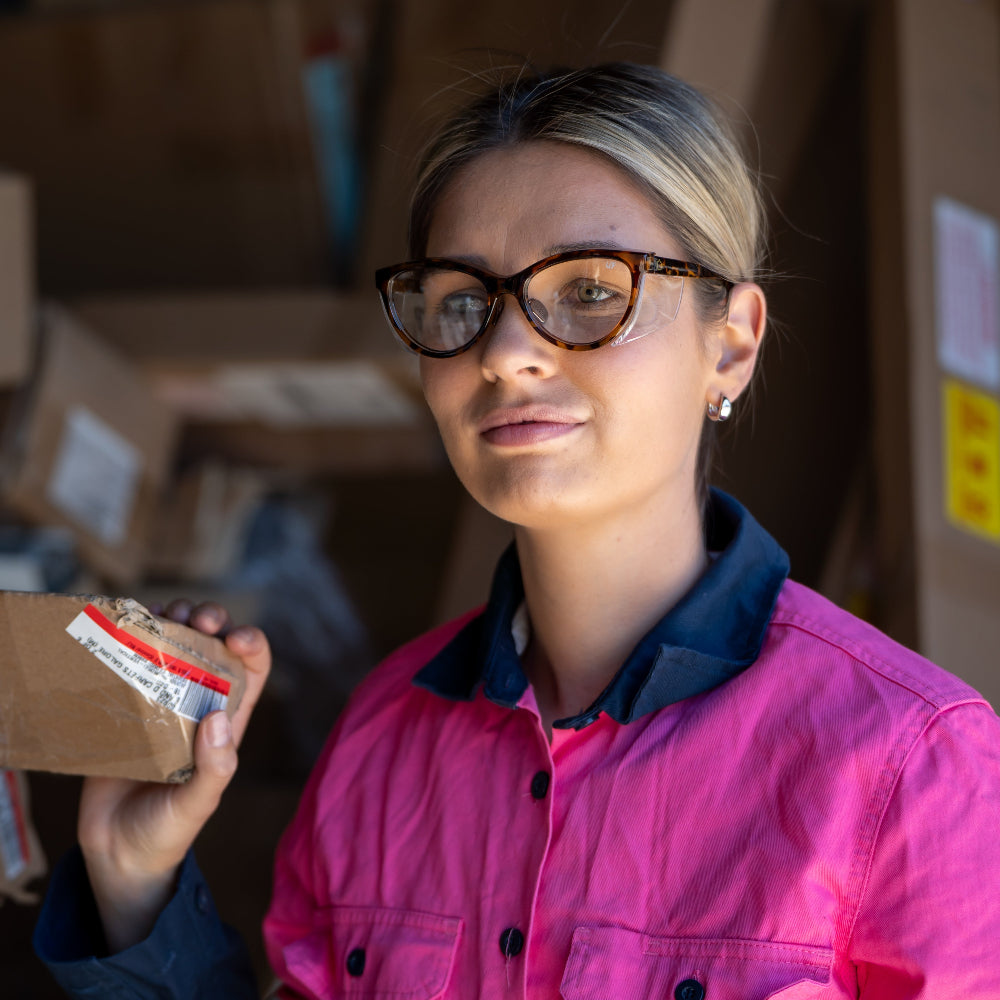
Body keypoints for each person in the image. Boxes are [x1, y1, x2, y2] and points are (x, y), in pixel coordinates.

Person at [35, 62, 1000, 999]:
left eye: (588, 291)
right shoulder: (379, 741)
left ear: (732, 344)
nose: (504, 353)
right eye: (461, 301)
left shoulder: (912, 760)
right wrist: (133, 883)